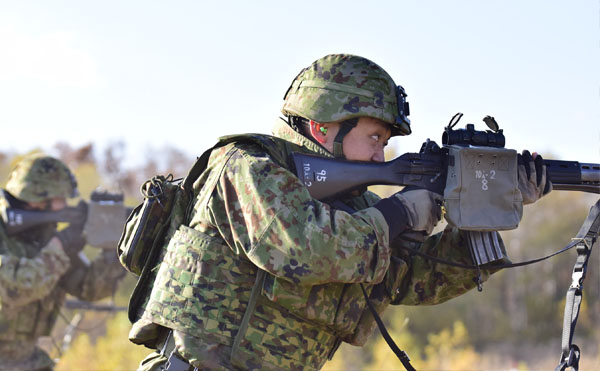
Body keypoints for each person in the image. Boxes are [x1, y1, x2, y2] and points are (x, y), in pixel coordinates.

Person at [131, 54, 551, 370]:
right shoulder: (245, 167)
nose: (380, 153)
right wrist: (400, 214)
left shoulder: (359, 211)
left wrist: (490, 208)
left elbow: (418, 281)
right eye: (374, 137)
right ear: (323, 127)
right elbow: (305, 247)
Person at [0, 154, 126, 371]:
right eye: (62, 198)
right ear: (38, 197)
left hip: (27, 360)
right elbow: (17, 288)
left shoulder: (45, 236)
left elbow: (89, 288)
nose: (67, 204)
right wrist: (61, 244)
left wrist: (113, 248)